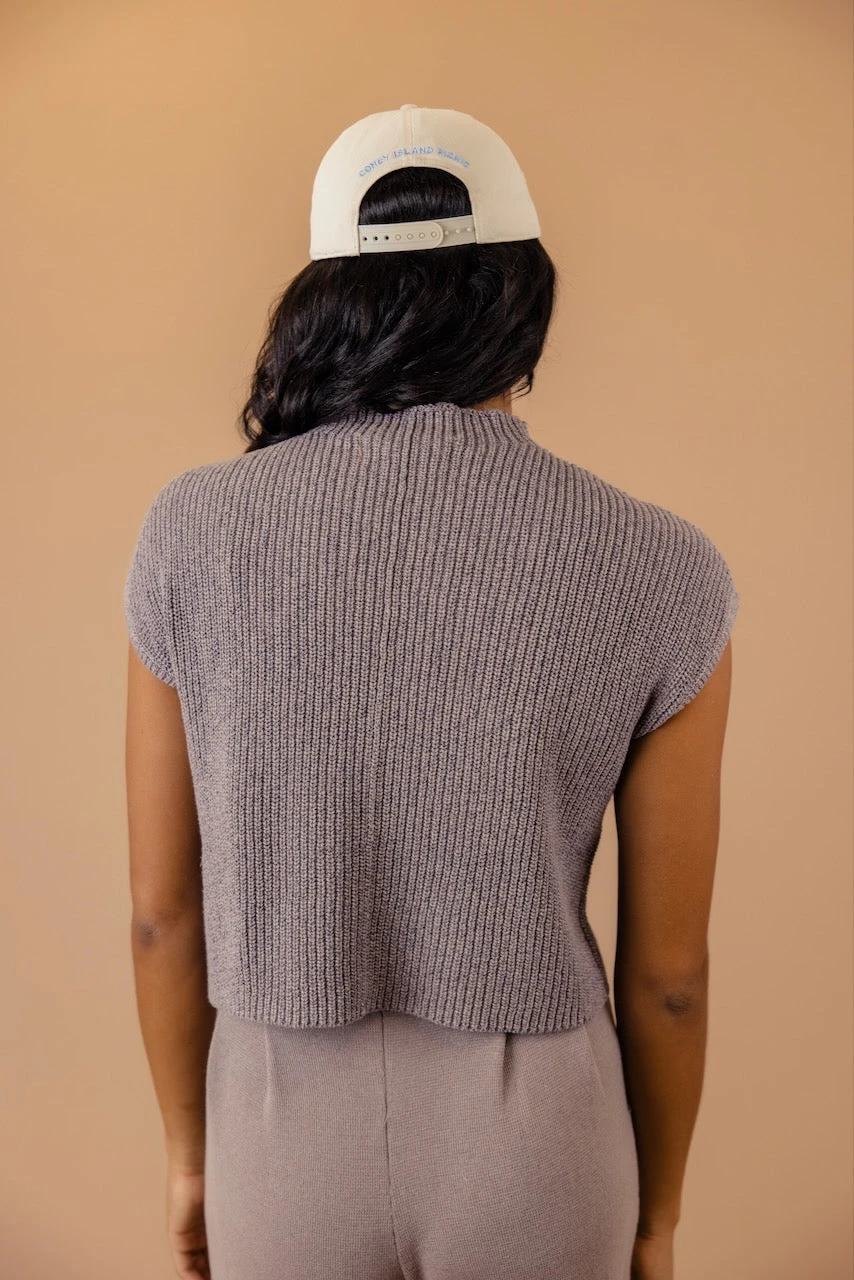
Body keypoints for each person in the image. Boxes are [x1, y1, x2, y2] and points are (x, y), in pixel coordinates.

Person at [123, 105, 740, 1280]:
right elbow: (668, 978)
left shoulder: (190, 534)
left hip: (276, 1130)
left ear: (325, 300)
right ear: (522, 298)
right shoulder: (659, 564)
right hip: (542, 1140)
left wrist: (191, 1157)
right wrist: (655, 1214)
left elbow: (161, 913)